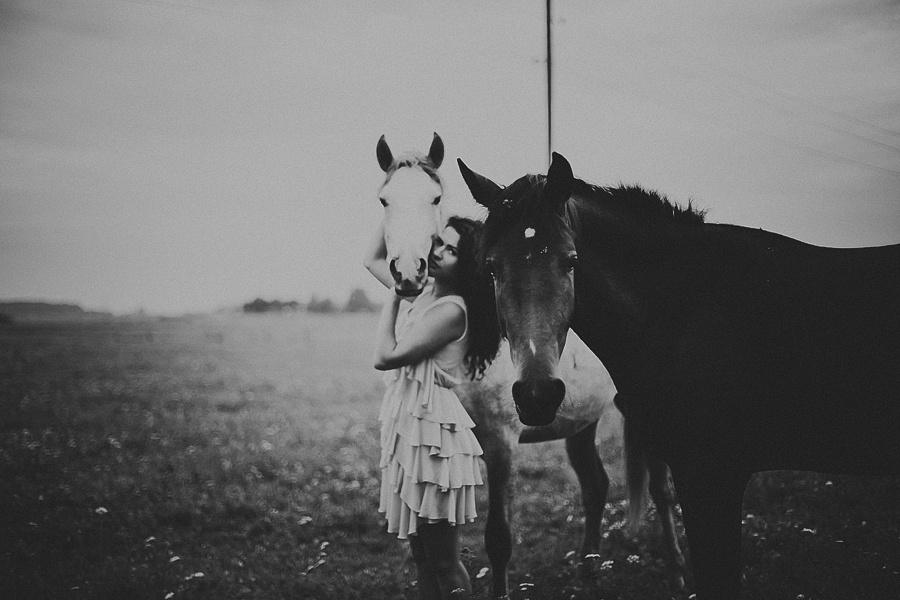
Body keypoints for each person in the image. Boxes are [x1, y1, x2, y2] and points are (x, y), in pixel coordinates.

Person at [364, 215, 500, 600]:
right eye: (439, 242)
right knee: (423, 556)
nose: (438, 252)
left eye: (452, 250)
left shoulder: (450, 311)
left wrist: (393, 295)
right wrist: (394, 209)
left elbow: (385, 357)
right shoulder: (427, 296)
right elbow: (372, 258)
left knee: (443, 561)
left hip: (434, 438)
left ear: (467, 265)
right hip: (413, 430)